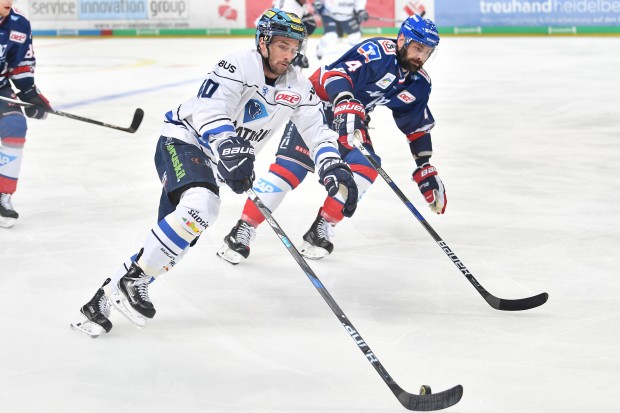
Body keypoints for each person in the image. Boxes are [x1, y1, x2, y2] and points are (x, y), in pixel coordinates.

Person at [70, 8, 358, 338]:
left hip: (218, 160)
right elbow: (210, 108)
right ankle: (132, 280)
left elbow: (316, 130)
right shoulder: (237, 64)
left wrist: (332, 164)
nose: (289, 54)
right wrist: (228, 144)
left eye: (295, 48)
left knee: (178, 238)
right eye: (282, 45)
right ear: (263, 42)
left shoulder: (297, 85)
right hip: (184, 141)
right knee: (203, 206)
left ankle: (101, 301)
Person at [217, 14, 446, 264]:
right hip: (317, 106)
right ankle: (244, 229)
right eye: (418, 48)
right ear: (402, 39)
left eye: (427, 52)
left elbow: (416, 126)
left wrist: (425, 166)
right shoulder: (377, 52)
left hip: (353, 117)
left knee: (367, 167)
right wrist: (345, 101)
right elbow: (334, 74)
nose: (421, 57)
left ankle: (321, 229)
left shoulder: (419, 83)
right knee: (290, 169)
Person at [0, 0, 52, 228]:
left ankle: (3, 195)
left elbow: (20, 64)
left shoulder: (18, 24)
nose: (9, 1)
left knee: (15, 125)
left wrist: (30, 94)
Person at [271, 0, 317, 69]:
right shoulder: (291, 7)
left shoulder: (294, 4)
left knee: (309, 23)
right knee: (308, 24)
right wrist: (297, 55)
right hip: (274, 32)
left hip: (271, 29)